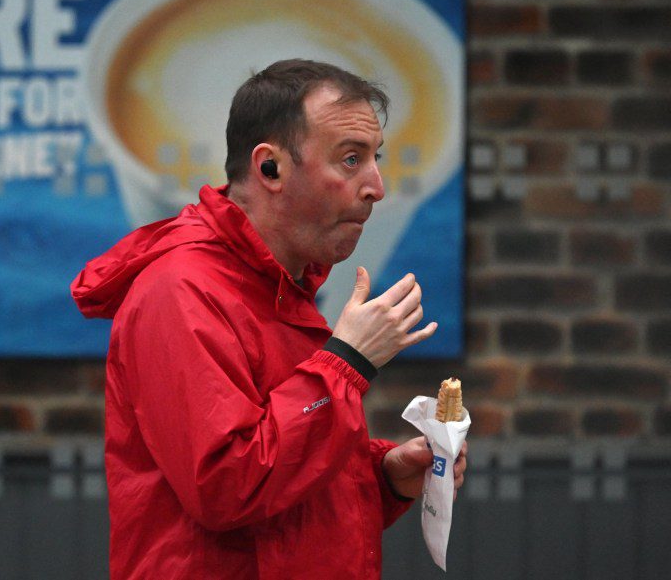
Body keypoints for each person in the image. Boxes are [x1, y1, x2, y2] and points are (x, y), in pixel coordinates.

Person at [71, 59, 468, 579]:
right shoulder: (181, 291)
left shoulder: (281, 287)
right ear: (270, 168)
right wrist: (346, 362)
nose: (377, 186)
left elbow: (289, 500)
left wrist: (384, 477)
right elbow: (226, 486)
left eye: (375, 159)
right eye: (351, 160)